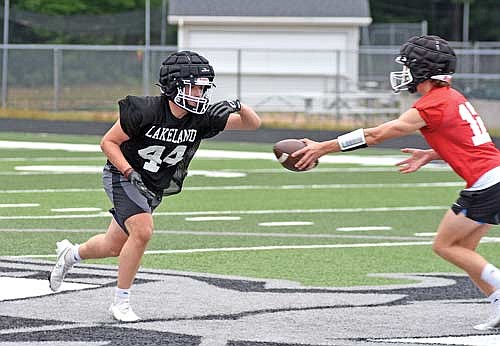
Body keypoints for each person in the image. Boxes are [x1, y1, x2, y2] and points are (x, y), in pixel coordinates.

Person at [293, 35, 500, 331]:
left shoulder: (430, 105)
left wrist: (322, 147)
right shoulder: (452, 97)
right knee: (464, 247)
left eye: (407, 65)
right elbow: (468, 140)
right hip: (493, 176)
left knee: (445, 245)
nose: (403, 72)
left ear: (422, 69)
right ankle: (497, 301)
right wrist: (431, 153)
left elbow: (377, 135)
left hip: (486, 183)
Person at [48, 50, 261, 322]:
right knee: (143, 231)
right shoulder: (145, 109)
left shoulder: (201, 117)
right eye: (194, 87)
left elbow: (252, 124)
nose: (200, 94)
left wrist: (239, 105)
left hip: (152, 183)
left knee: (113, 245)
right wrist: (128, 171)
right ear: (174, 86)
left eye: (204, 88)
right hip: (123, 174)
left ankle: (71, 254)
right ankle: (120, 302)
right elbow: (108, 143)